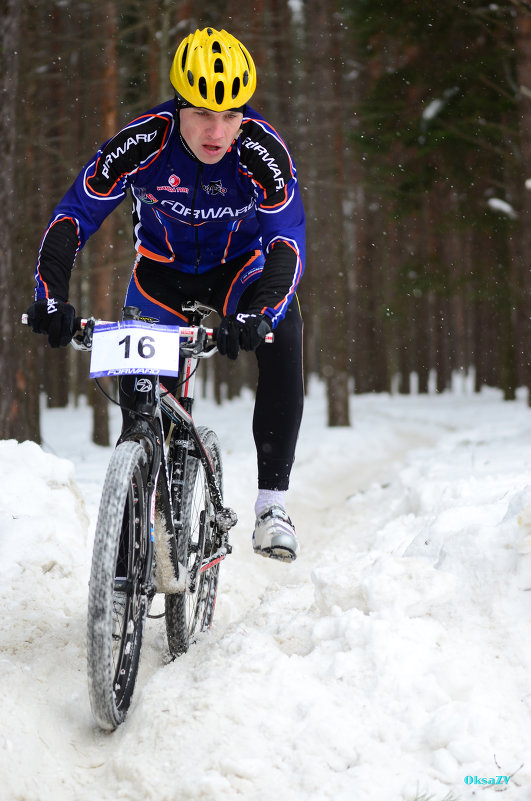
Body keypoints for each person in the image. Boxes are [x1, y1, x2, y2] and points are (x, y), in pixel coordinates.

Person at [26, 27, 305, 562]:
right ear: (178, 106)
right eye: (202, 112)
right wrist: (52, 297)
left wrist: (261, 315)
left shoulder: (263, 153)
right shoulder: (144, 141)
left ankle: (272, 504)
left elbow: (287, 243)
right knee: (141, 402)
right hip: (161, 277)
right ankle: (138, 510)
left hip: (239, 275)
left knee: (284, 329)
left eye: (230, 114)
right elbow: (73, 216)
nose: (217, 130)